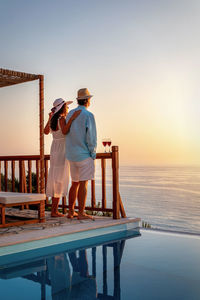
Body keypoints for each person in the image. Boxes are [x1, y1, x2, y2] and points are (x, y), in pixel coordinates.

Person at [44, 98, 81, 217]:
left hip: (55, 148)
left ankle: (54, 210)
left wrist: (49, 118)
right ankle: (54, 211)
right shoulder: (61, 119)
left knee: (56, 177)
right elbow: (65, 132)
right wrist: (72, 120)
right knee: (60, 178)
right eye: (67, 106)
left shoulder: (53, 119)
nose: (68, 108)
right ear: (63, 107)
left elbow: (45, 132)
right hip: (63, 149)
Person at [65, 88, 97, 220]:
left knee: (74, 183)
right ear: (87, 101)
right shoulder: (88, 115)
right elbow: (91, 137)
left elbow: (67, 132)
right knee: (83, 184)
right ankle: (82, 213)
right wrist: (92, 153)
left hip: (72, 155)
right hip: (84, 155)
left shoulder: (70, 114)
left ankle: (71, 211)